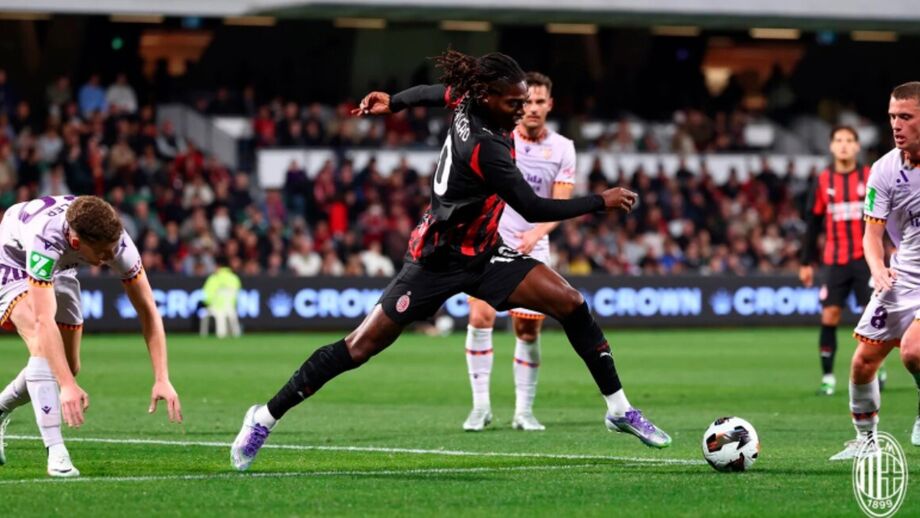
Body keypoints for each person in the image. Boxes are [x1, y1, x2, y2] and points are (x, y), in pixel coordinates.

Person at [230, 50, 670, 472]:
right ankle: (263, 418)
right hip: (435, 261)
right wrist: (599, 201)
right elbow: (533, 207)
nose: (521, 111)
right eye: (513, 103)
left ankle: (618, 409)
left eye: (525, 102)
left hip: (484, 253)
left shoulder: (467, 100)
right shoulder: (485, 147)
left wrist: (395, 101)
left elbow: (431, 92)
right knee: (358, 348)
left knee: (571, 302)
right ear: (488, 98)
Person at [0, 195, 182, 477]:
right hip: (14, 258)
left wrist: (162, 377)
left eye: (112, 249)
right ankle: (56, 451)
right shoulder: (45, 239)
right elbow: (43, 320)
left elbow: (148, 310)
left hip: (63, 265)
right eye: (102, 253)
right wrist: (67, 386)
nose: (110, 257)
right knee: (43, 346)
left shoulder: (117, 242)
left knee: (68, 365)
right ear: (77, 242)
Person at [462, 71, 575, 432]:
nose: (533, 108)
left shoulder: (563, 148)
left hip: (533, 243)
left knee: (527, 330)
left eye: (540, 102)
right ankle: (480, 407)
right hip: (490, 240)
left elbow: (560, 203)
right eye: (528, 102)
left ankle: (523, 411)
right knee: (480, 317)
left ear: (550, 104)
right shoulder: (499, 137)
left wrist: (534, 234)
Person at [829, 81, 920, 460]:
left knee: (913, 352)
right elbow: (871, 235)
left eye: (906, 116)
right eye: (892, 116)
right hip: (903, 274)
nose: (896, 124)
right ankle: (866, 442)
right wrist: (878, 267)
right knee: (863, 362)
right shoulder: (883, 169)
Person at [799, 126, 880, 396]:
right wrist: (806, 262)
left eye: (849, 140)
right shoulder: (823, 180)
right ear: (831, 146)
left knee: (872, 317)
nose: (844, 145)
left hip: (867, 259)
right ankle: (828, 378)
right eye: (838, 140)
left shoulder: (870, 176)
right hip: (835, 260)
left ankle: (875, 368)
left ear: (857, 146)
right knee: (830, 315)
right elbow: (813, 223)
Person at [200, 256, 243, 338]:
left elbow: (207, 296)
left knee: (218, 314)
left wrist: (209, 303)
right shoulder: (234, 278)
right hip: (230, 306)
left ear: (218, 266)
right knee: (229, 314)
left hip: (215, 307)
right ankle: (235, 333)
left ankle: (221, 334)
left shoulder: (213, 278)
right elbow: (237, 293)